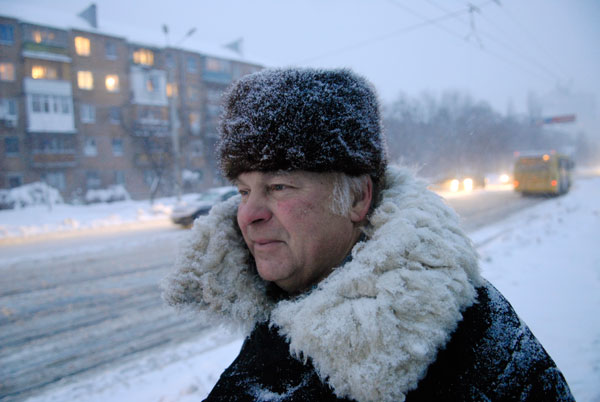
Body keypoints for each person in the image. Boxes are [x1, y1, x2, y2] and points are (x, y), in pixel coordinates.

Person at [163, 68, 574, 402]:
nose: (247, 215)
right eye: (243, 191)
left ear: (358, 198)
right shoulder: (284, 311)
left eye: (279, 187)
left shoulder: (473, 347)